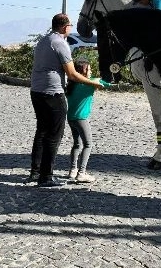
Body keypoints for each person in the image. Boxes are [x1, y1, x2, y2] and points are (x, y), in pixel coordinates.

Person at [27, 13, 105, 187]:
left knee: (41, 131)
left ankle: (36, 171)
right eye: (69, 25)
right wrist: (93, 83)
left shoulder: (43, 41)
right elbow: (72, 74)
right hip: (52, 93)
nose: (71, 28)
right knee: (54, 134)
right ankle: (46, 176)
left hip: (36, 91)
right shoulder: (60, 43)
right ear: (64, 27)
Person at [66, 58, 110, 183]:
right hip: (81, 119)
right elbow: (105, 83)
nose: (91, 71)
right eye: (89, 69)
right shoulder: (89, 84)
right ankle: (82, 172)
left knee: (76, 144)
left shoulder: (71, 85)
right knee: (88, 144)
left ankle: (72, 170)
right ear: (83, 71)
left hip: (71, 118)